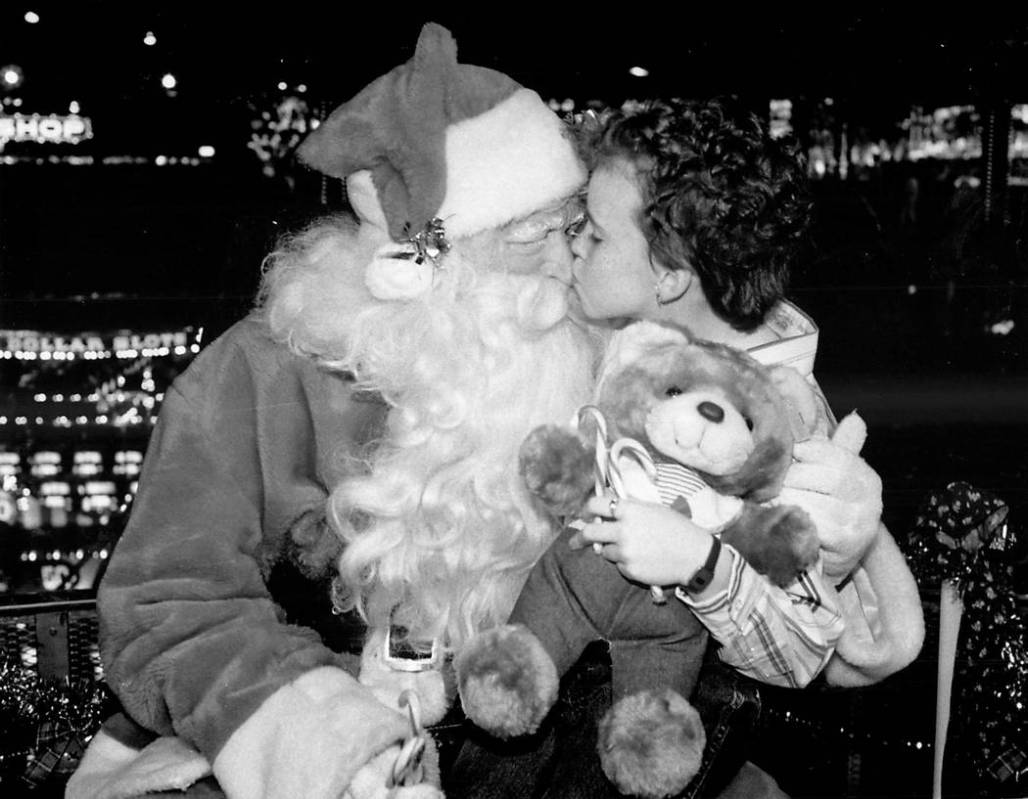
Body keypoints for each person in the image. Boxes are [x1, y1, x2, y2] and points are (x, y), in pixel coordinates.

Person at [67, 22, 596, 799]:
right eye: (529, 239)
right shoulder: (260, 373)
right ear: (429, 261)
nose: (562, 269)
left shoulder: (587, 352)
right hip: (296, 734)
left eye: (570, 230)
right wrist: (335, 742)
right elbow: (166, 599)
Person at [558, 98, 924, 793]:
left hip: (676, 718)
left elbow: (800, 650)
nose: (573, 243)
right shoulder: (637, 329)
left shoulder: (778, 430)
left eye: (594, 234)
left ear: (668, 276)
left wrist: (699, 561)